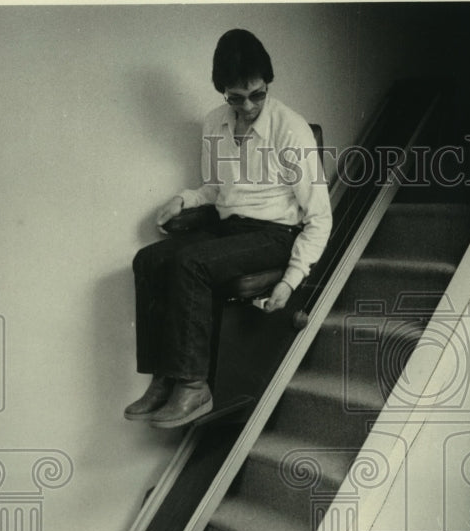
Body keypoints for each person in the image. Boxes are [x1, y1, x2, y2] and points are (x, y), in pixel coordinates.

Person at [125, 28, 332, 428]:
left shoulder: (291, 129)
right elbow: (216, 188)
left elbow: (320, 217)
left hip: (275, 234)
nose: (248, 106)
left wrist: (291, 279)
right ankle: (163, 377)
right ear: (222, 91)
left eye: (257, 95)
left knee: (189, 263)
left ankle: (193, 385)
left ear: (267, 84)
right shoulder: (214, 123)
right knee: (148, 260)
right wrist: (184, 199)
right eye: (236, 98)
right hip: (230, 229)